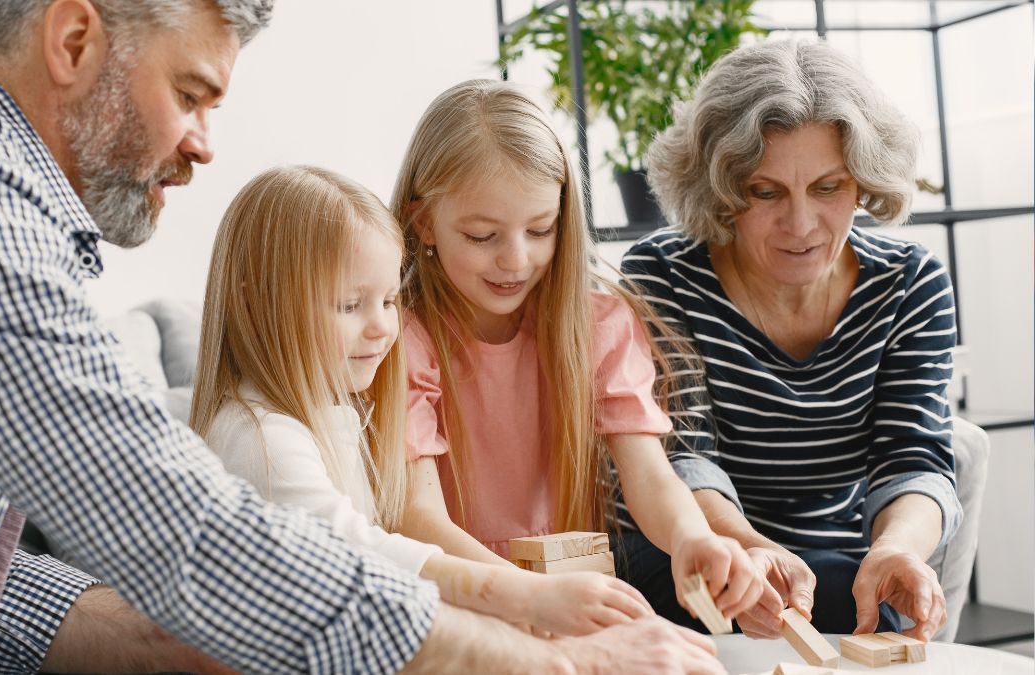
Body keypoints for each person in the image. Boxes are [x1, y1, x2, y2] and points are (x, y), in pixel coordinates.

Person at [0, 0, 726, 672]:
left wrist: (160, 638)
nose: (205, 144)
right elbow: (177, 526)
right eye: (191, 94)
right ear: (73, 41)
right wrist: (556, 662)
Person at [191, 164, 654, 637]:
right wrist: (526, 595)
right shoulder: (261, 440)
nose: (382, 328)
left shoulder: (331, 418)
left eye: (389, 301)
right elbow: (361, 554)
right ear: (255, 305)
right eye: (350, 305)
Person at [391, 79, 768, 628]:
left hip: (568, 590)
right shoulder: (401, 339)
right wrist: (527, 598)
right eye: (481, 236)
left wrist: (692, 536)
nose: (515, 261)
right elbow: (416, 517)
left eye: (540, 229)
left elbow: (650, 477)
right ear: (424, 222)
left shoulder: (598, 325)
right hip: (452, 599)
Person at [620, 39, 962, 641]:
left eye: (828, 188)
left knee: (844, 595)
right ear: (721, 190)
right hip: (684, 553)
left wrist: (897, 549)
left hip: (830, 564)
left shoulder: (910, 283)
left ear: (864, 181)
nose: (801, 226)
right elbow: (682, 456)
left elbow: (914, 455)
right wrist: (749, 550)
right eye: (766, 192)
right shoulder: (661, 275)